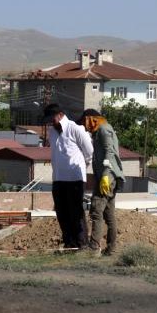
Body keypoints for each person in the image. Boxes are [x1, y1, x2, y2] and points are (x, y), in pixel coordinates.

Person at [43, 103, 93, 250]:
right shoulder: (52, 132)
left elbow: (89, 152)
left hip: (75, 179)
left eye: (51, 118)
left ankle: (82, 243)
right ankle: (69, 244)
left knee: (76, 212)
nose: (50, 122)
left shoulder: (75, 128)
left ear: (60, 115)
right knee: (61, 212)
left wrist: (81, 168)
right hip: (58, 178)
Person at [77, 109, 125, 256]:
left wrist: (105, 176)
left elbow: (110, 152)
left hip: (108, 177)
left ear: (92, 119)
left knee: (96, 210)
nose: (84, 127)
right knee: (109, 215)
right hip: (108, 177)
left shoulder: (104, 129)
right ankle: (112, 249)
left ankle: (94, 248)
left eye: (84, 122)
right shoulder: (98, 132)